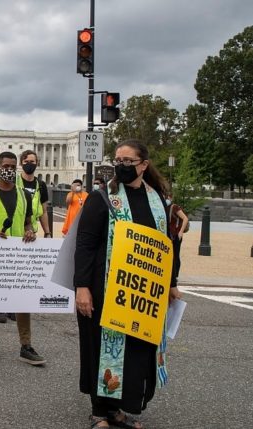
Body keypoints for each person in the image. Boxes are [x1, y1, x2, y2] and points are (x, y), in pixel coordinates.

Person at [74, 139, 182, 429]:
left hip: (142, 294)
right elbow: (84, 243)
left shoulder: (157, 200)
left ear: (143, 165)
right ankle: (99, 411)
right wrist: (81, 286)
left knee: (134, 349)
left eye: (127, 161)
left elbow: (168, 244)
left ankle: (118, 410)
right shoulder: (102, 198)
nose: (120, 166)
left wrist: (172, 282)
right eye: (117, 161)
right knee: (103, 348)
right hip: (105, 289)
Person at [0, 152, 46, 366]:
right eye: (6, 166)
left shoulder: (26, 195)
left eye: (13, 166)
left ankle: (26, 345)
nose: (10, 170)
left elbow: (28, 223)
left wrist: (31, 231)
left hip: (17, 255)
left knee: (23, 300)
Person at [167, 193, 189, 282]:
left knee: (175, 255)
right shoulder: (164, 207)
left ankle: (175, 275)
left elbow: (185, 218)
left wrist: (180, 232)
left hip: (175, 235)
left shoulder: (174, 207)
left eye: (167, 196)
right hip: (168, 234)